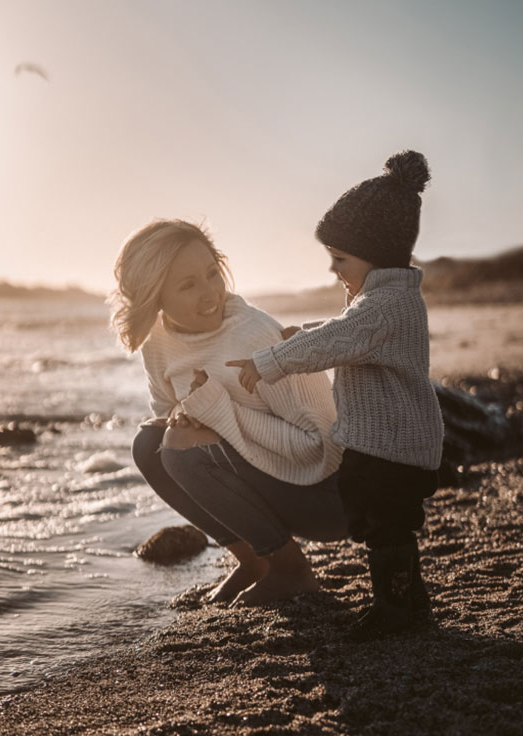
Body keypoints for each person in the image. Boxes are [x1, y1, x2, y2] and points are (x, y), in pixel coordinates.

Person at [227, 150, 444, 639]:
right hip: (388, 444)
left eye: (341, 260)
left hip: (392, 449)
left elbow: (338, 340)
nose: (334, 271)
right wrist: (300, 332)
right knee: (382, 526)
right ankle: (410, 604)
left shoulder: (386, 304)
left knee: (385, 527)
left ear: (377, 253)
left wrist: (269, 363)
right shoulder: (383, 300)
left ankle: (396, 608)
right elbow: (342, 331)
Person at [109, 219, 347, 606]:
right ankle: (255, 561)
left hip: (327, 496)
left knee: (179, 447)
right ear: (155, 296)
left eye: (212, 274)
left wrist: (219, 414)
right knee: (149, 444)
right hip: (269, 479)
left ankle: (291, 571)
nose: (209, 294)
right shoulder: (158, 344)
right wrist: (189, 419)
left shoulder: (253, 337)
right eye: (187, 285)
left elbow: (321, 448)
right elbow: (169, 417)